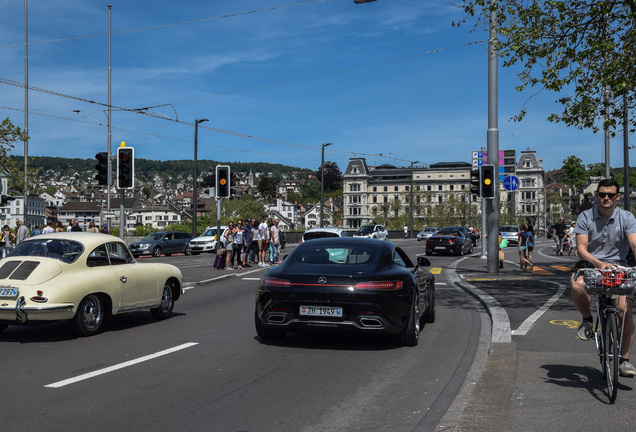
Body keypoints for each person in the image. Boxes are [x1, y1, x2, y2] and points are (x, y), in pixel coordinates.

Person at [571, 179, 636, 377]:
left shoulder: (627, 217)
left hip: (619, 267)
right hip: (592, 264)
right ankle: (587, 320)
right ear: (597, 196)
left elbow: (634, 244)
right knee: (577, 285)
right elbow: (581, 248)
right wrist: (598, 264)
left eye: (610, 195)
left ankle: (624, 360)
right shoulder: (586, 216)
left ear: (618, 196)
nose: (605, 198)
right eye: (601, 194)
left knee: (624, 311)